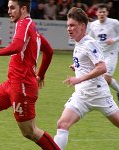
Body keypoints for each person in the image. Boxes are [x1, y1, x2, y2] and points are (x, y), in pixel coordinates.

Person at [0, 0, 60, 150]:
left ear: (24, 9)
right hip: (11, 83)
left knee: (30, 132)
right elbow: (49, 51)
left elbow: (17, 46)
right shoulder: (31, 27)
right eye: (8, 8)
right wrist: (41, 75)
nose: (9, 11)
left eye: (13, 8)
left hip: (22, 87)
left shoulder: (23, 24)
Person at [54, 7, 119, 150]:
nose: (68, 29)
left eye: (72, 25)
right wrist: (76, 66)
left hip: (99, 94)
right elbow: (88, 62)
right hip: (82, 96)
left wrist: (79, 79)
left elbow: (102, 68)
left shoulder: (89, 42)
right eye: (68, 26)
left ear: (82, 26)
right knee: (62, 124)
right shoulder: (79, 42)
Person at [88, 4, 119, 101]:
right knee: (104, 78)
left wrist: (113, 40)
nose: (102, 14)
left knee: (105, 77)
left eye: (104, 12)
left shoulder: (114, 23)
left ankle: (103, 99)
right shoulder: (93, 25)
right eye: (100, 12)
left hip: (111, 53)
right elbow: (90, 38)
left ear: (107, 13)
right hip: (99, 55)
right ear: (96, 13)